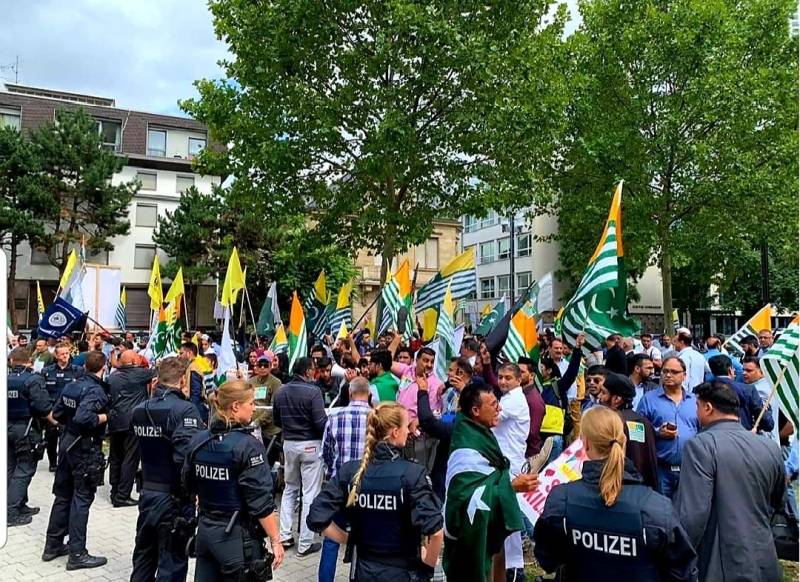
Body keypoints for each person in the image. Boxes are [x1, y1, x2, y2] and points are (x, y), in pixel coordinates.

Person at [533, 406, 697, 581]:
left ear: (585, 443)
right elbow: (683, 572)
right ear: (624, 441)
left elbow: (547, 559)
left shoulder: (562, 499)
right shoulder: (657, 507)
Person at [307, 402, 444, 582]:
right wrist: (428, 568)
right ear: (395, 432)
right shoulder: (413, 473)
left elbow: (316, 516)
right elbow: (435, 532)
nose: (409, 431)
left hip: (364, 570)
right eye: (406, 426)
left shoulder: (351, 471)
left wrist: (349, 539)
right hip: (403, 572)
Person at [675, 381, 785, 582]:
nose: (696, 413)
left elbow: (692, 514)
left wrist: (678, 556)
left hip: (721, 561)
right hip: (763, 555)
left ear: (707, 408)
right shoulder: (769, 446)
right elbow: (778, 502)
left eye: (697, 407)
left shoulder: (700, 445)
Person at [184, 380, 285, 580]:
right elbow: (260, 501)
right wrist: (275, 540)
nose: (254, 408)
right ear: (236, 406)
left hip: (205, 532)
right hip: (236, 537)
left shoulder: (198, 440)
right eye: (251, 403)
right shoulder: (248, 446)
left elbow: (188, 483)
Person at [442, 382, 539, 582]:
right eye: (494, 404)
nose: (499, 408)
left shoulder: (480, 433)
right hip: (472, 536)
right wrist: (511, 487)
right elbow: (465, 497)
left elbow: (492, 476)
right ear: (476, 410)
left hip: (491, 532)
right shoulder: (465, 447)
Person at [129, 357, 206, 582]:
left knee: (144, 554)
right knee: (172, 561)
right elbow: (187, 459)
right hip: (174, 497)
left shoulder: (140, 409)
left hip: (147, 492)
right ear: (183, 379)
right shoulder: (185, 410)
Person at [43, 351, 111, 569]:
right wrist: (105, 416)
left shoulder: (72, 385)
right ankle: (77, 553)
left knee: (62, 496)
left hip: (67, 444)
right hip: (84, 448)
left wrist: (69, 424)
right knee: (81, 499)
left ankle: (52, 545)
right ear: (103, 367)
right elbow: (85, 418)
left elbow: (57, 415)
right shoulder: (96, 391)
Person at [317, 376, 372, 582]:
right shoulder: (376, 417)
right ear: (369, 394)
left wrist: (333, 473)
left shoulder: (335, 416)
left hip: (339, 484)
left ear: (349, 392)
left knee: (331, 537)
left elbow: (326, 452)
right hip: (368, 486)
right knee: (366, 537)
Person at [272, 357, 327, 556]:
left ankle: (285, 536)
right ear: (308, 371)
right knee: (310, 493)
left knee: (290, 490)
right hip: (311, 444)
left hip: (289, 444)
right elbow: (321, 423)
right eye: (313, 369)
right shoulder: (314, 392)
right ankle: (305, 543)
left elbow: (276, 419)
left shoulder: (280, 391)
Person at [635, 357, 699, 499]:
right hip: (660, 470)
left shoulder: (695, 401)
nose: (668, 375)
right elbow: (637, 431)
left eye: (674, 372)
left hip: (689, 470)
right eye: (665, 371)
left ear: (684, 376)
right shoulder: (648, 399)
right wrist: (657, 432)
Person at [492, 363, 530, 580]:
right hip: (504, 465)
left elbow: (492, 418)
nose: (503, 381)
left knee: (510, 520)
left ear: (518, 380)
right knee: (504, 517)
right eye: (500, 377)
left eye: (508, 377)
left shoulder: (514, 400)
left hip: (511, 467)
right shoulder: (508, 397)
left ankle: (515, 570)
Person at [7, 348, 53, 526]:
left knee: (10, 468)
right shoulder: (33, 379)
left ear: (11, 361)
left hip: (7, 427)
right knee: (24, 469)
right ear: (29, 361)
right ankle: (11, 511)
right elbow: (43, 406)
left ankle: (19, 504)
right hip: (26, 429)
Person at [107, 349, 157, 507]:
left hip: (115, 421)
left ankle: (114, 491)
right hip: (131, 423)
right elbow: (159, 370)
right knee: (130, 459)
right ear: (135, 361)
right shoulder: (139, 374)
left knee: (116, 457)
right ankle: (122, 495)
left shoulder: (112, 377)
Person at [598, 372, 659, 491]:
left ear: (616, 399)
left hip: (616, 491)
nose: (599, 397)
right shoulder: (644, 422)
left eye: (604, 393)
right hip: (643, 493)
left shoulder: (612, 425)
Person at [540, 334, 585, 462]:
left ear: (548, 371)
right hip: (538, 437)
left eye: (541, 368)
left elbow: (571, 373)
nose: (539, 370)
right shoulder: (537, 387)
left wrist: (577, 349)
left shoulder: (557, 386)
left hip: (554, 436)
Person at [40, 343, 84, 472]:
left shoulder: (78, 371)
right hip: (53, 411)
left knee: (68, 439)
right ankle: (53, 462)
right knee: (51, 439)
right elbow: (42, 392)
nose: (65, 356)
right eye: (62, 354)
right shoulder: (47, 371)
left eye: (67, 353)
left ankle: (64, 462)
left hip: (70, 412)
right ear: (56, 355)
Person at [707, 354, 772, 433]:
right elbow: (766, 423)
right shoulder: (748, 389)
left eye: (749, 370)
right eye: (743, 370)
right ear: (730, 370)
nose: (744, 373)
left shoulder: (760, 390)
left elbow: (765, 422)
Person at [248, 353, 282, 456]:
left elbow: (273, 406)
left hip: (270, 430)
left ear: (270, 366)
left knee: (270, 459)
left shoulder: (276, 382)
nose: (262, 368)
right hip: (253, 428)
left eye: (265, 365)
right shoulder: (251, 381)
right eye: (260, 365)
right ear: (256, 366)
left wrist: (258, 421)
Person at [518, 356, 545, 457]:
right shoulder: (519, 394)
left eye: (521, 372)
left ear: (532, 375)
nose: (517, 375)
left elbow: (532, 433)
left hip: (528, 455)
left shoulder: (534, 401)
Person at [179, 342, 207, 422]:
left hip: (196, 410)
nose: (179, 356)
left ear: (189, 353)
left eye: (181, 353)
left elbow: (195, 393)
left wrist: (191, 412)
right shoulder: (190, 366)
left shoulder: (193, 368)